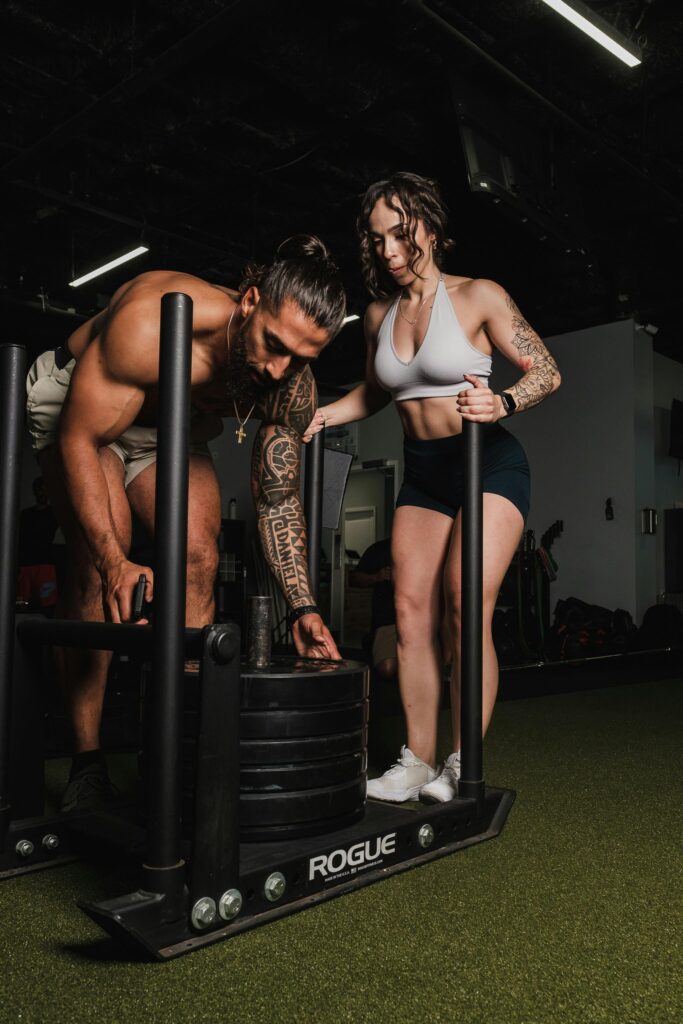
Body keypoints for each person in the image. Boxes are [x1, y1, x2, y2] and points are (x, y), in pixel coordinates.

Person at [26, 235, 346, 811]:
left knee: (199, 554)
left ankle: (171, 754)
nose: (280, 369)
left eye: (300, 358)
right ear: (249, 301)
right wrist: (113, 561)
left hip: (166, 423)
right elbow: (81, 436)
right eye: (274, 343)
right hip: (82, 405)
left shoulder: (288, 383)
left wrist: (302, 606)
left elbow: (276, 500)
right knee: (104, 557)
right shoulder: (150, 321)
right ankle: (87, 761)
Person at [304, 172, 560, 803]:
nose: (388, 251)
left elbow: (546, 372)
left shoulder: (479, 297)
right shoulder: (376, 315)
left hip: (487, 462)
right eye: (377, 239)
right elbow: (376, 390)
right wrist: (325, 414)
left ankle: (459, 761)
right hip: (424, 471)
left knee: (461, 604)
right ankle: (416, 761)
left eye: (400, 233)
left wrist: (501, 401)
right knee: (410, 614)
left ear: (431, 227)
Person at [348, 537, 397, 679]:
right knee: (387, 669)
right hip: (389, 621)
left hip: (421, 624)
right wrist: (377, 577)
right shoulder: (381, 548)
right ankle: (373, 642)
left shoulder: (424, 548)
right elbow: (354, 579)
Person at [16, 476, 59, 612]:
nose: (42, 493)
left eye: (45, 490)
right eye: (40, 490)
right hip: (26, 563)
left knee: (48, 604)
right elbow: (21, 538)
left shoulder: (53, 512)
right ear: (35, 491)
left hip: (45, 563)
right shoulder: (26, 514)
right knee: (21, 603)